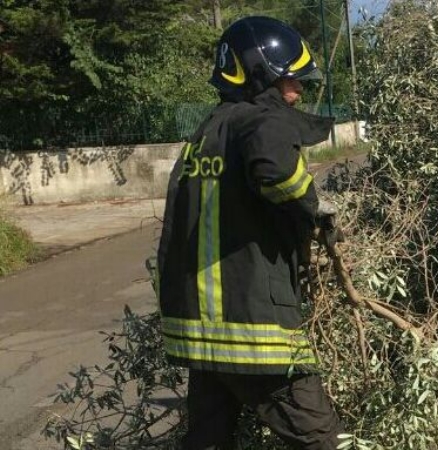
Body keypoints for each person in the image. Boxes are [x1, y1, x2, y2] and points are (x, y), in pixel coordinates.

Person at [155, 16, 344, 450]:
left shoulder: (208, 132)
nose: (298, 92)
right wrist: (314, 208)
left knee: (208, 440)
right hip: (252, 328)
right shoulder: (263, 120)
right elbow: (279, 177)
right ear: (262, 75)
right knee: (322, 439)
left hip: (201, 331)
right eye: (292, 80)